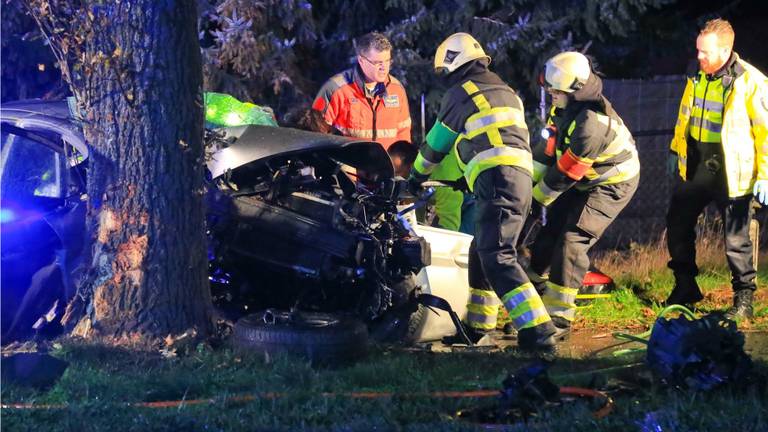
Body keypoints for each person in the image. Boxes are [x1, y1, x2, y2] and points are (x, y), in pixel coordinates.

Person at [408, 32, 562, 351]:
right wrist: (471, 177)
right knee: (481, 250)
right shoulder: (505, 91)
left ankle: (538, 328)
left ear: (453, 64)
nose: (445, 80)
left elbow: (437, 144)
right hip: (515, 178)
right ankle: (476, 326)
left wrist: (413, 177)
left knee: (498, 255)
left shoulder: (463, 92)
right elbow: (495, 140)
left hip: (498, 178)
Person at [527, 51, 640, 333]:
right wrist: (524, 187)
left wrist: (532, 201)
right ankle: (533, 289)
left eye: (554, 89)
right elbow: (547, 152)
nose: (549, 92)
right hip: (583, 177)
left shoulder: (591, 125)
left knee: (572, 239)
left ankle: (558, 317)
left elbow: (565, 175)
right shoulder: (566, 108)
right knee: (551, 228)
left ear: (573, 90)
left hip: (611, 184)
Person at [665, 18, 768, 320]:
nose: (699, 57)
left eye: (705, 53)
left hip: (733, 172)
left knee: (736, 239)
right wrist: (676, 149)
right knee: (678, 223)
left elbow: (765, 133)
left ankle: (744, 300)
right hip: (698, 164)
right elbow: (685, 116)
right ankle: (685, 287)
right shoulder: (697, 76)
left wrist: (764, 174)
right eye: (698, 50)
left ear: (725, 51)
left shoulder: (752, 81)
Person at [311, 31, 412, 151]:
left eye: (387, 61)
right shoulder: (336, 89)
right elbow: (316, 134)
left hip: (386, 168)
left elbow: (403, 134)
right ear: (361, 60)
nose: (384, 68)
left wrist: (401, 165)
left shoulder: (396, 89)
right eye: (378, 62)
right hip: (347, 167)